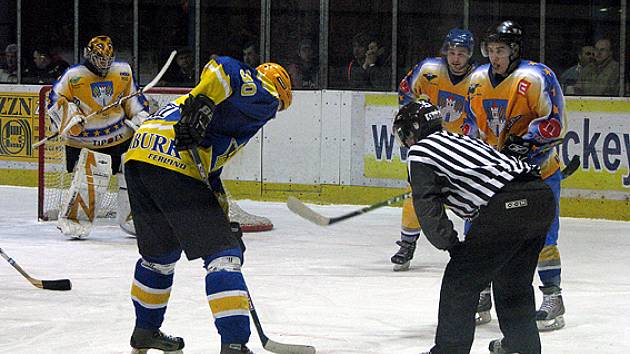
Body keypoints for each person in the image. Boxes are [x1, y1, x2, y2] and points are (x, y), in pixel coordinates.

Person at [122, 57, 292, 354]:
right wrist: (203, 102)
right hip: (174, 163)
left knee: (159, 257)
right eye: (280, 107)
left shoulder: (224, 120)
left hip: (140, 156)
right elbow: (224, 66)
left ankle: (145, 331)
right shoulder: (264, 96)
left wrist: (223, 220)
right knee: (223, 258)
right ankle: (235, 344)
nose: (274, 114)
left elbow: (209, 176)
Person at [395, 101, 555, 354]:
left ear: (410, 131)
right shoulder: (463, 139)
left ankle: (450, 351)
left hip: (505, 208)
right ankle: (523, 347)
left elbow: (428, 209)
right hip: (540, 197)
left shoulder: (420, 151)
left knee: (460, 280)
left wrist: (451, 245)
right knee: (513, 282)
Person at [464, 20, 568, 332]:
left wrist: (526, 144)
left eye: (501, 50)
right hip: (495, 173)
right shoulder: (477, 79)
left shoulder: (537, 76)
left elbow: (554, 121)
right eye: (491, 50)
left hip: (537, 173)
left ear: (514, 51)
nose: (494, 56)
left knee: (541, 235)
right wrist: (474, 155)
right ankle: (481, 295)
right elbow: (469, 123)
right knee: (478, 232)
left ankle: (553, 297)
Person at [47, 35, 150, 239]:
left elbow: (134, 101)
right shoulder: (73, 76)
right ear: (88, 54)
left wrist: (140, 118)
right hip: (85, 141)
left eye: (107, 59)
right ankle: (75, 221)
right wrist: (72, 116)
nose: (103, 64)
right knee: (89, 180)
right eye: (99, 58)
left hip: (120, 138)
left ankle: (133, 219)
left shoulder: (122, 72)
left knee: (130, 178)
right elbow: (55, 101)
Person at [392, 28, 475, 272]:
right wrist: (415, 114)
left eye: (461, 53)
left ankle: (474, 246)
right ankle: (407, 244)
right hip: (430, 146)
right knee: (417, 196)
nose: (456, 58)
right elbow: (405, 93)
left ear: (469, 55)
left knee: (473, 198)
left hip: (461, 148)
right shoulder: (428, 70)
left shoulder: (480, 78)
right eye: (452, 52)